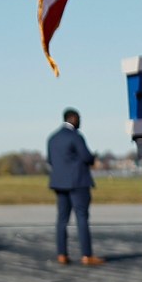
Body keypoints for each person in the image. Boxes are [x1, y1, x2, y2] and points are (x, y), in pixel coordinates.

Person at [48, 108, 101, 267]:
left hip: (59, 182)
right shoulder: (75, 136)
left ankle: (62, 254)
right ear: (73, 119)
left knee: (62, 219)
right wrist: (93, 158)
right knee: (81, 217)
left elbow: (50, 160)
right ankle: (86, 254)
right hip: (78, 182)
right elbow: (86, 156)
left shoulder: (53, 138)